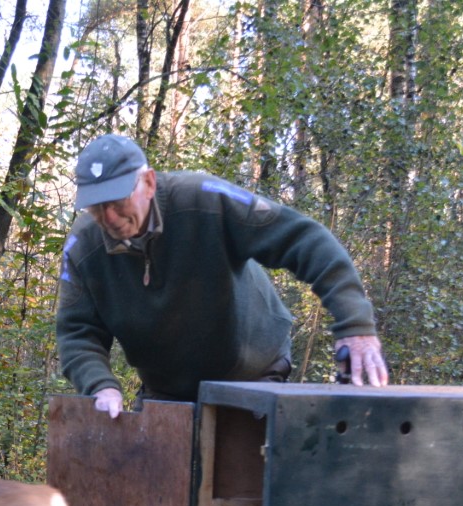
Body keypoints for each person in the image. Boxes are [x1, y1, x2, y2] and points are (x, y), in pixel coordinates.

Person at [57, 133, 389, 417]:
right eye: (97, 207)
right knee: (156, 482)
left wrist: (354, 326)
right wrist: (100, 386)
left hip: (252, 375)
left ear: (148, 183)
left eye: (117, 201)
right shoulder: (82, 247)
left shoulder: (205, 200)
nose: (110, 217)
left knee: (243, 483)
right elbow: (76, 332)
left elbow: (305, 239)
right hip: (167, 389)